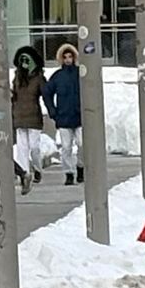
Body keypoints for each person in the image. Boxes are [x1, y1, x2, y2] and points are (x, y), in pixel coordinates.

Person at [44, 43, 85, 186]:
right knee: (66, 147)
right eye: (65, 57)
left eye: (70, 56)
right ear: (61, 59)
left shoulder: (80, 73)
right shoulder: (57, 76)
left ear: (74, 57)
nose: (68, 59)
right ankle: (68, 173)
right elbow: (46, 93)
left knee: (82, 144)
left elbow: (90, 89)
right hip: (63, 117)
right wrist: (53, 111)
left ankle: (81, 167)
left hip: (80, 117)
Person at [11, 46, 49, 195]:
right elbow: (14, 94)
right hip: (19, 116)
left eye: (27, 60)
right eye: (22, 60)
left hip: (33, 116)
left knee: (34, 147)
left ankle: (37, 168)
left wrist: (53, 110)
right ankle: (24, 174)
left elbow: (46, 94)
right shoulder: (17, 77)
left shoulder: (39, 78)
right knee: (21, 148)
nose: (25, 63)